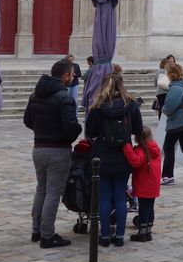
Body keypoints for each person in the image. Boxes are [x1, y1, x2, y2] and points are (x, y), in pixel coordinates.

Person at [23, 59, 82, 248]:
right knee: (53, 193)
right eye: (72, 75)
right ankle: (47, 235)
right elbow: (70, 126)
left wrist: (41, 131)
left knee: (41, 189)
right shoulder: (64, 98)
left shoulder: (35, 95)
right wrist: (75, 131)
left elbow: (27, 120)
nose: (73, 78)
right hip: (57, 149)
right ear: (65, 76)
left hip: (38, 147)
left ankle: (36, 230)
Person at [85, 72, 144, 247]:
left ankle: (104, 235)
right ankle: (119, 236)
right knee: (119, 196)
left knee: (103, 198)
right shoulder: (130, 104)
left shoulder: (97, 106)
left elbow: (91, 132)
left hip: (102, 155)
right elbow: (139, 129)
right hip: (123, 154)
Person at [123, 126, 161, 242]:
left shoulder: (142, 150)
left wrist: (127, 147)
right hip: (153, 185)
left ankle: (142, 233)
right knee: (150, 208)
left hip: (144, 185)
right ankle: (148, 231)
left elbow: (135, 161)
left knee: (143, 209)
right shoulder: (154, 148)